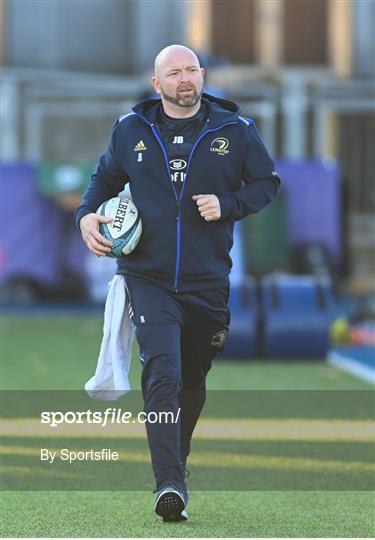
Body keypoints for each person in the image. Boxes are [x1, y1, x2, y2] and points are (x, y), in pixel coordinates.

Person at [74, 44, 280, 522]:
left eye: (191, 70)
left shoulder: (237, 129)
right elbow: (104, 180)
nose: (185, 79)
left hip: (208, 281)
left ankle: (177, 461)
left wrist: (228, 205)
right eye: (174, 72)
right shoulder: (130, 130)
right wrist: (86, 216)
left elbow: (266, 184)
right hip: (146, 277)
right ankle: (167, 480)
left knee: (191, 378)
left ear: (203, 75)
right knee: (162, 371)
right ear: (157, 84)